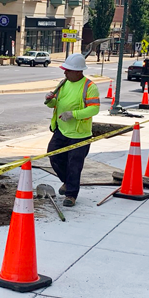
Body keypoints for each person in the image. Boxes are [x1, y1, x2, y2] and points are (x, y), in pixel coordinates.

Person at [44, 53, 100, 207]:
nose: (64, 72)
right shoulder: (64, 84)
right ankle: (68, 183)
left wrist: (73, 114)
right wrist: (50, 100)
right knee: (54, 156)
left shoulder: (90, 87)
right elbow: (56, 104)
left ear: (78, 71)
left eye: (68, 70)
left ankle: (71, 195)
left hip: (80, 134)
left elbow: (94, 110)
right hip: (61, 130)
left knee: (74, 165)